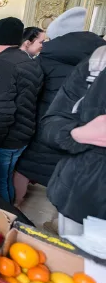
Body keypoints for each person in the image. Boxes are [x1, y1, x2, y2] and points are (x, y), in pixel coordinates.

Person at [14, 7, 106, 206]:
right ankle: (56, 223)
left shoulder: (43, 60)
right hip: (84, 135)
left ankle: (15, 213)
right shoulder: (98, 61)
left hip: (40, 129)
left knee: (24, 170)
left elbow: (25, 98)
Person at [0, 17, 43, 203]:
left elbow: (0, 112)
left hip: (4, 139)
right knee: (6, 177)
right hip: (22, 133)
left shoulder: (1, 65)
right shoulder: (30, 62)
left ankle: (4, 217)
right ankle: (10, 211)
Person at [41, 45, 106, 235]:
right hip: (80, 198)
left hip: (78, 191)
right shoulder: (97, 62)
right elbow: (52, 122)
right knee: (73, 260)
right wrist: (79, 134)